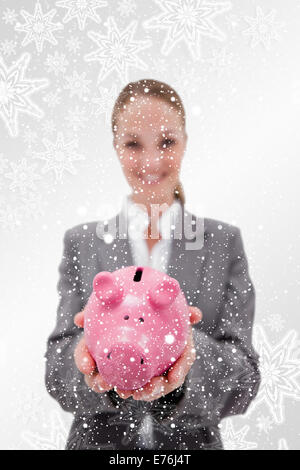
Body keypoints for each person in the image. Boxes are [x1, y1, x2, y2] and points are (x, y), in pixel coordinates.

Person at [44, 79, 261, 450]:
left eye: (166, 142)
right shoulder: (82, 243)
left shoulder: (223, 243)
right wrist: (94, 359)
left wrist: (185, 361)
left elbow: (244, 381)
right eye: (133, 144)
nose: (151, 162)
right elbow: (57, 371)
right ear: (115, 145)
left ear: (185, 141)